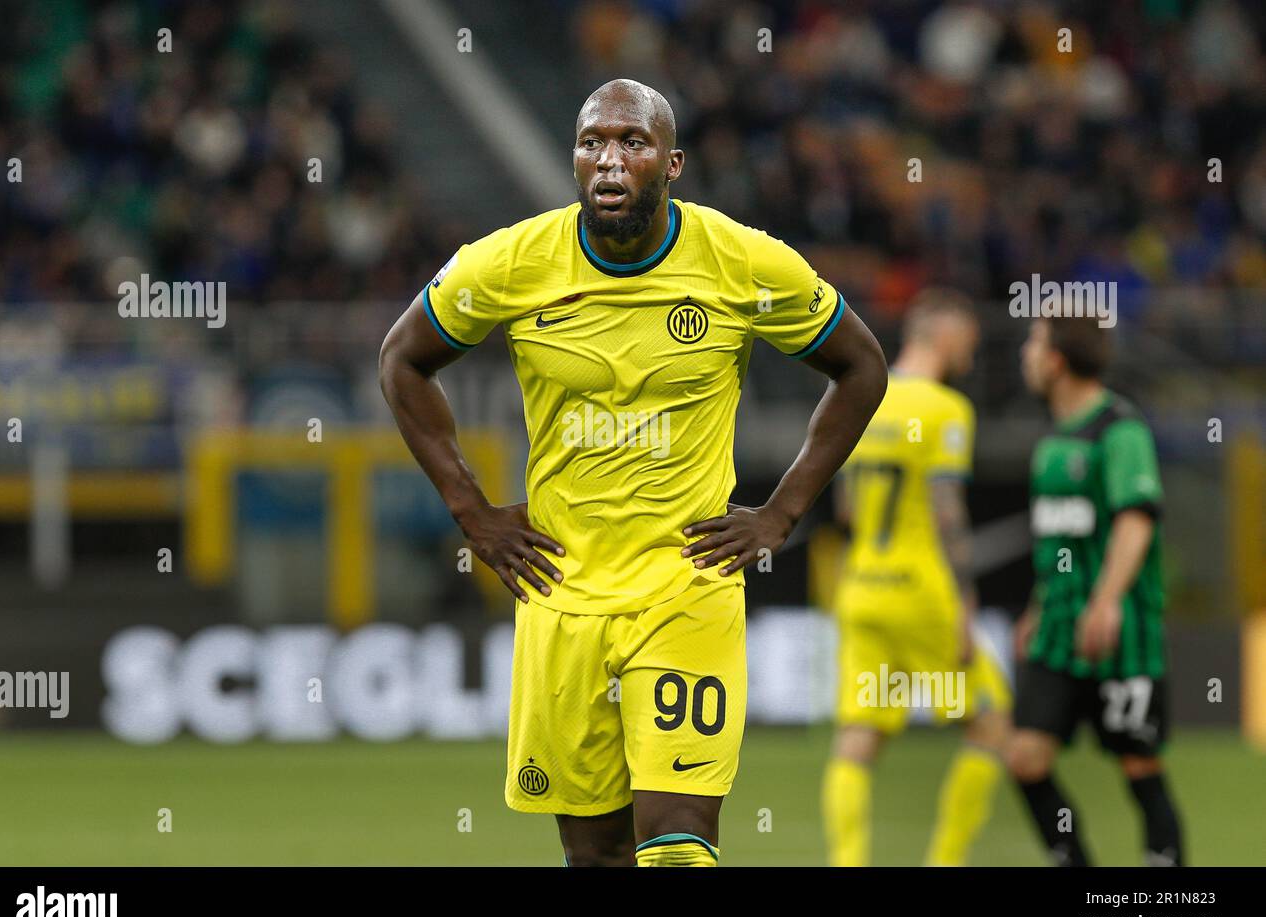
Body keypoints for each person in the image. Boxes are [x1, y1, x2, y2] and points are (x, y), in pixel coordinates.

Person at [378, 79, 886, 866]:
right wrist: (470, 510)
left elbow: (860, 367)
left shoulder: (743, 261)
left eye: (632, 143)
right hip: (562, 594)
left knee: (677, 846)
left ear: (672, 162)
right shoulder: (510, 263)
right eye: (591, 144)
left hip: (686, 587)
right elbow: (402, 360)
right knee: (597, 857)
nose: (609, 161)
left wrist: (782, 513)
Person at [823, 289, 1012, 866]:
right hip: (919, 588)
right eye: (969, 346)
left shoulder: (859, 395)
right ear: (947, 337)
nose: (972, 358)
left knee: (858, 737)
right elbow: (946, 509)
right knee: (992, 723)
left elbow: (847, 511)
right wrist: (965, 600)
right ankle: (945, 862)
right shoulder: (945, 409)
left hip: (860, 588)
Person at [1007, 315, 1183, 866]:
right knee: (1025, 758)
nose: (1025, 355)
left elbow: (1136, 521)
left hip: (1119, 631)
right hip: (1059, 629)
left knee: (1139, 766)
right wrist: (1039, 607)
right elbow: (1060, 540)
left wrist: (1106, 600)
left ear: (1057, 361)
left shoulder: (1120, 430)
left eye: (1034, 344)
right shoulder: (1052, 442)